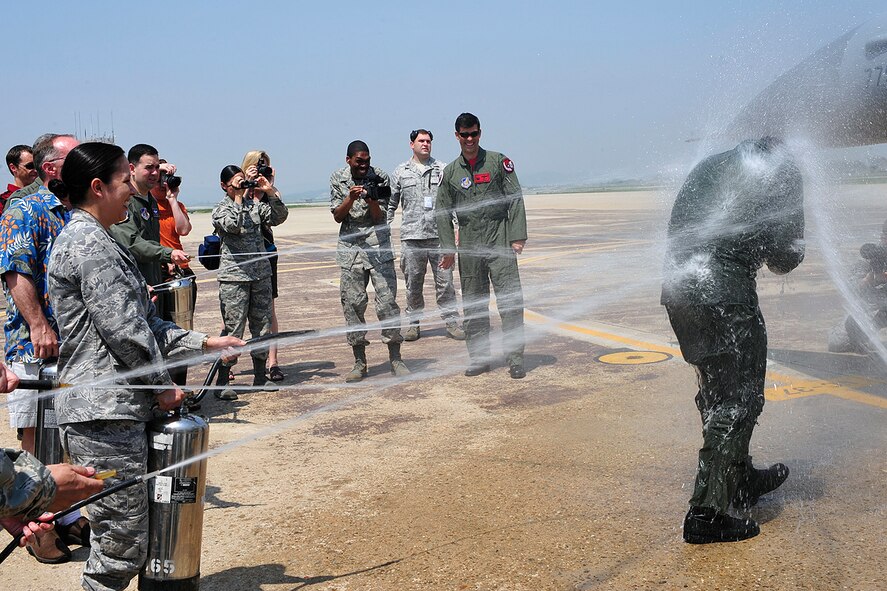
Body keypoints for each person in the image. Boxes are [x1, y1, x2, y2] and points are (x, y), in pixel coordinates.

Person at [47, 142, 244, 591]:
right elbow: (125, 334)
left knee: (141, 536)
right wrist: (161, 386)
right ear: (98, 187)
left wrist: (205, 342)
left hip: (118, 410)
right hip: (103, 414)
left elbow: (145, 325)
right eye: (124, 184)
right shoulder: (87, 244)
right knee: (121, 544)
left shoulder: (102, 239)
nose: (132, 196)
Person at [661, 137, 805, 544]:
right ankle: (707, 513)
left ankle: (736, 479)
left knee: (716, 390)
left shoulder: (717, 164)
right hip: (723, 295)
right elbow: (785, 257)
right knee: (738, 399)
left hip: (679, 290)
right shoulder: (783, 174)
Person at [0, 133, 86, 563]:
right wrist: (38, 324)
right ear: (52, 167)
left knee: (62, 434)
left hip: (69, 344)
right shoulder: (25, 208)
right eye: (75, 156)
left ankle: (63, 515)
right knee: (36, 440)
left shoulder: (70, 209)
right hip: (38, 344)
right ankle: (36, 533)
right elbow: (16, 271)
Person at [435, 113, 528, 379]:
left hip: (499, 239)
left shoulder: (499, 162)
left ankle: (515, 358)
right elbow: (442, 212)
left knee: (510, 301)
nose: (469, 139)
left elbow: (515, 198)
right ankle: (479, 358)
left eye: (474, 133)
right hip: (469, 244)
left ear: (480, 133)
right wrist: (448, 250)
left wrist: (517, 235)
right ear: (457, 136)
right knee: (474, 304)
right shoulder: (451, 172)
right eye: (464, 135)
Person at [331, 140, 410, 382]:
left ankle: (395, 358)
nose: (364, 166)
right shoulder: (338, 178)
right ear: (349, 160)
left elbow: (381, 218)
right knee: (353, 306)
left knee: (387, 304)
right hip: (351, 251)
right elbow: (337, 216)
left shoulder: (380, 177)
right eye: (359, 162)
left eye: (367, 161)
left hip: (378, 248)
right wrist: (351, 198)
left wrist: (370, 199)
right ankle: (359, 361)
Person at [212, 164, 288, 399]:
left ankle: (259, 376)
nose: (242, 185)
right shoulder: (221, 210)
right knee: (234, 329)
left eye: (243, 180)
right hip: (234, 279)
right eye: (236, 181)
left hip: (260, 276)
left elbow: (279, 216)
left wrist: (270, 191)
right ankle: (223, 380)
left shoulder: (255, 207)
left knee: (262, 327)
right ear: (224, 186)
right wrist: (237, 198)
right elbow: (232, 225)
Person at [388, 129, 465, 342]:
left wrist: (457, 228)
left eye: (429, 141)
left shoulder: (443, 169)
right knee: (413, 283)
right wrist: (384, 230)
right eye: (421, 141)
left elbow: (453, 202)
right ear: (411, 144)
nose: (425, 144)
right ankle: (413, 324)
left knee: (446, 283)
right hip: (412, 238)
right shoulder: (401, 172)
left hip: (440, 237)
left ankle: (451, 322)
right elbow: (391, 204)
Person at [109, 144, 189, 320]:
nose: (155, 173)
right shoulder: (125, 200)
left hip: (153, 284)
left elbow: (152, 240)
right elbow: (132, 243)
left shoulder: (150, 200)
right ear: (132, 168)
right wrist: (167, 253)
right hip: (133, 287)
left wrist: (164, 260)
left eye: (157, 168)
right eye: (149, 168)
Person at [149, 159, 196, 385]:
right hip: (158, 275)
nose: (163, 184)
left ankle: (180, 386)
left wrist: (172, 199)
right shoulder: (145, 205)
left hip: (180, 274)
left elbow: (183, 229)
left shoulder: (173, 203)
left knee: (181, 331)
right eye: (159, 179)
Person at [241, 150, 285, 381]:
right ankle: (227, 363)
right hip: (242, 258)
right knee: (235, 312)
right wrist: (246, 186)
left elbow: (279, 217)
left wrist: (269, 189)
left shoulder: (269, 193)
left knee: (269, 310)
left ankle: (273, 361)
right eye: (258, 167)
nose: (262, 171)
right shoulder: (239, 190)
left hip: (267, 255)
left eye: (266, 166)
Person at [2, 145, 39, 209]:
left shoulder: (45, 194)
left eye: (37, 165)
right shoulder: (3, 201)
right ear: (13, 168)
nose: (35, 170)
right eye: (30, 166)